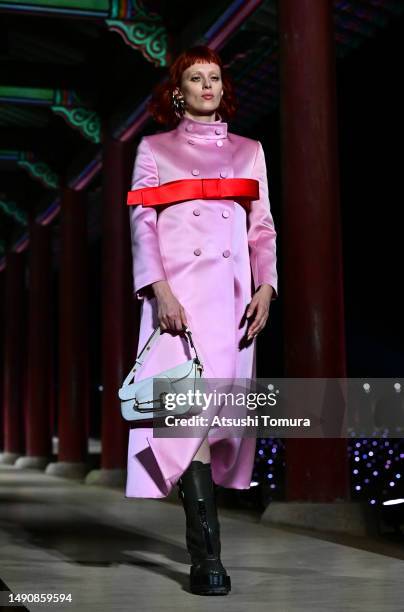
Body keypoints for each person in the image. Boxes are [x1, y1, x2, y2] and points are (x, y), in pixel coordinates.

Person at [125, 45, 278, 596]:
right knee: (187, 418)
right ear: (179, 90)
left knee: (211, 420)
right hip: (178, 305)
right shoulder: (154, 149)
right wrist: (160, 289)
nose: (207, 85)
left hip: (233, 302)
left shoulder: (250, 151)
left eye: (214, 77)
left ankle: (207, 554)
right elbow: (142, 226)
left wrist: (267, 285)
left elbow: (262, 228)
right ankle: (206, 557)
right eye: (196, 77)